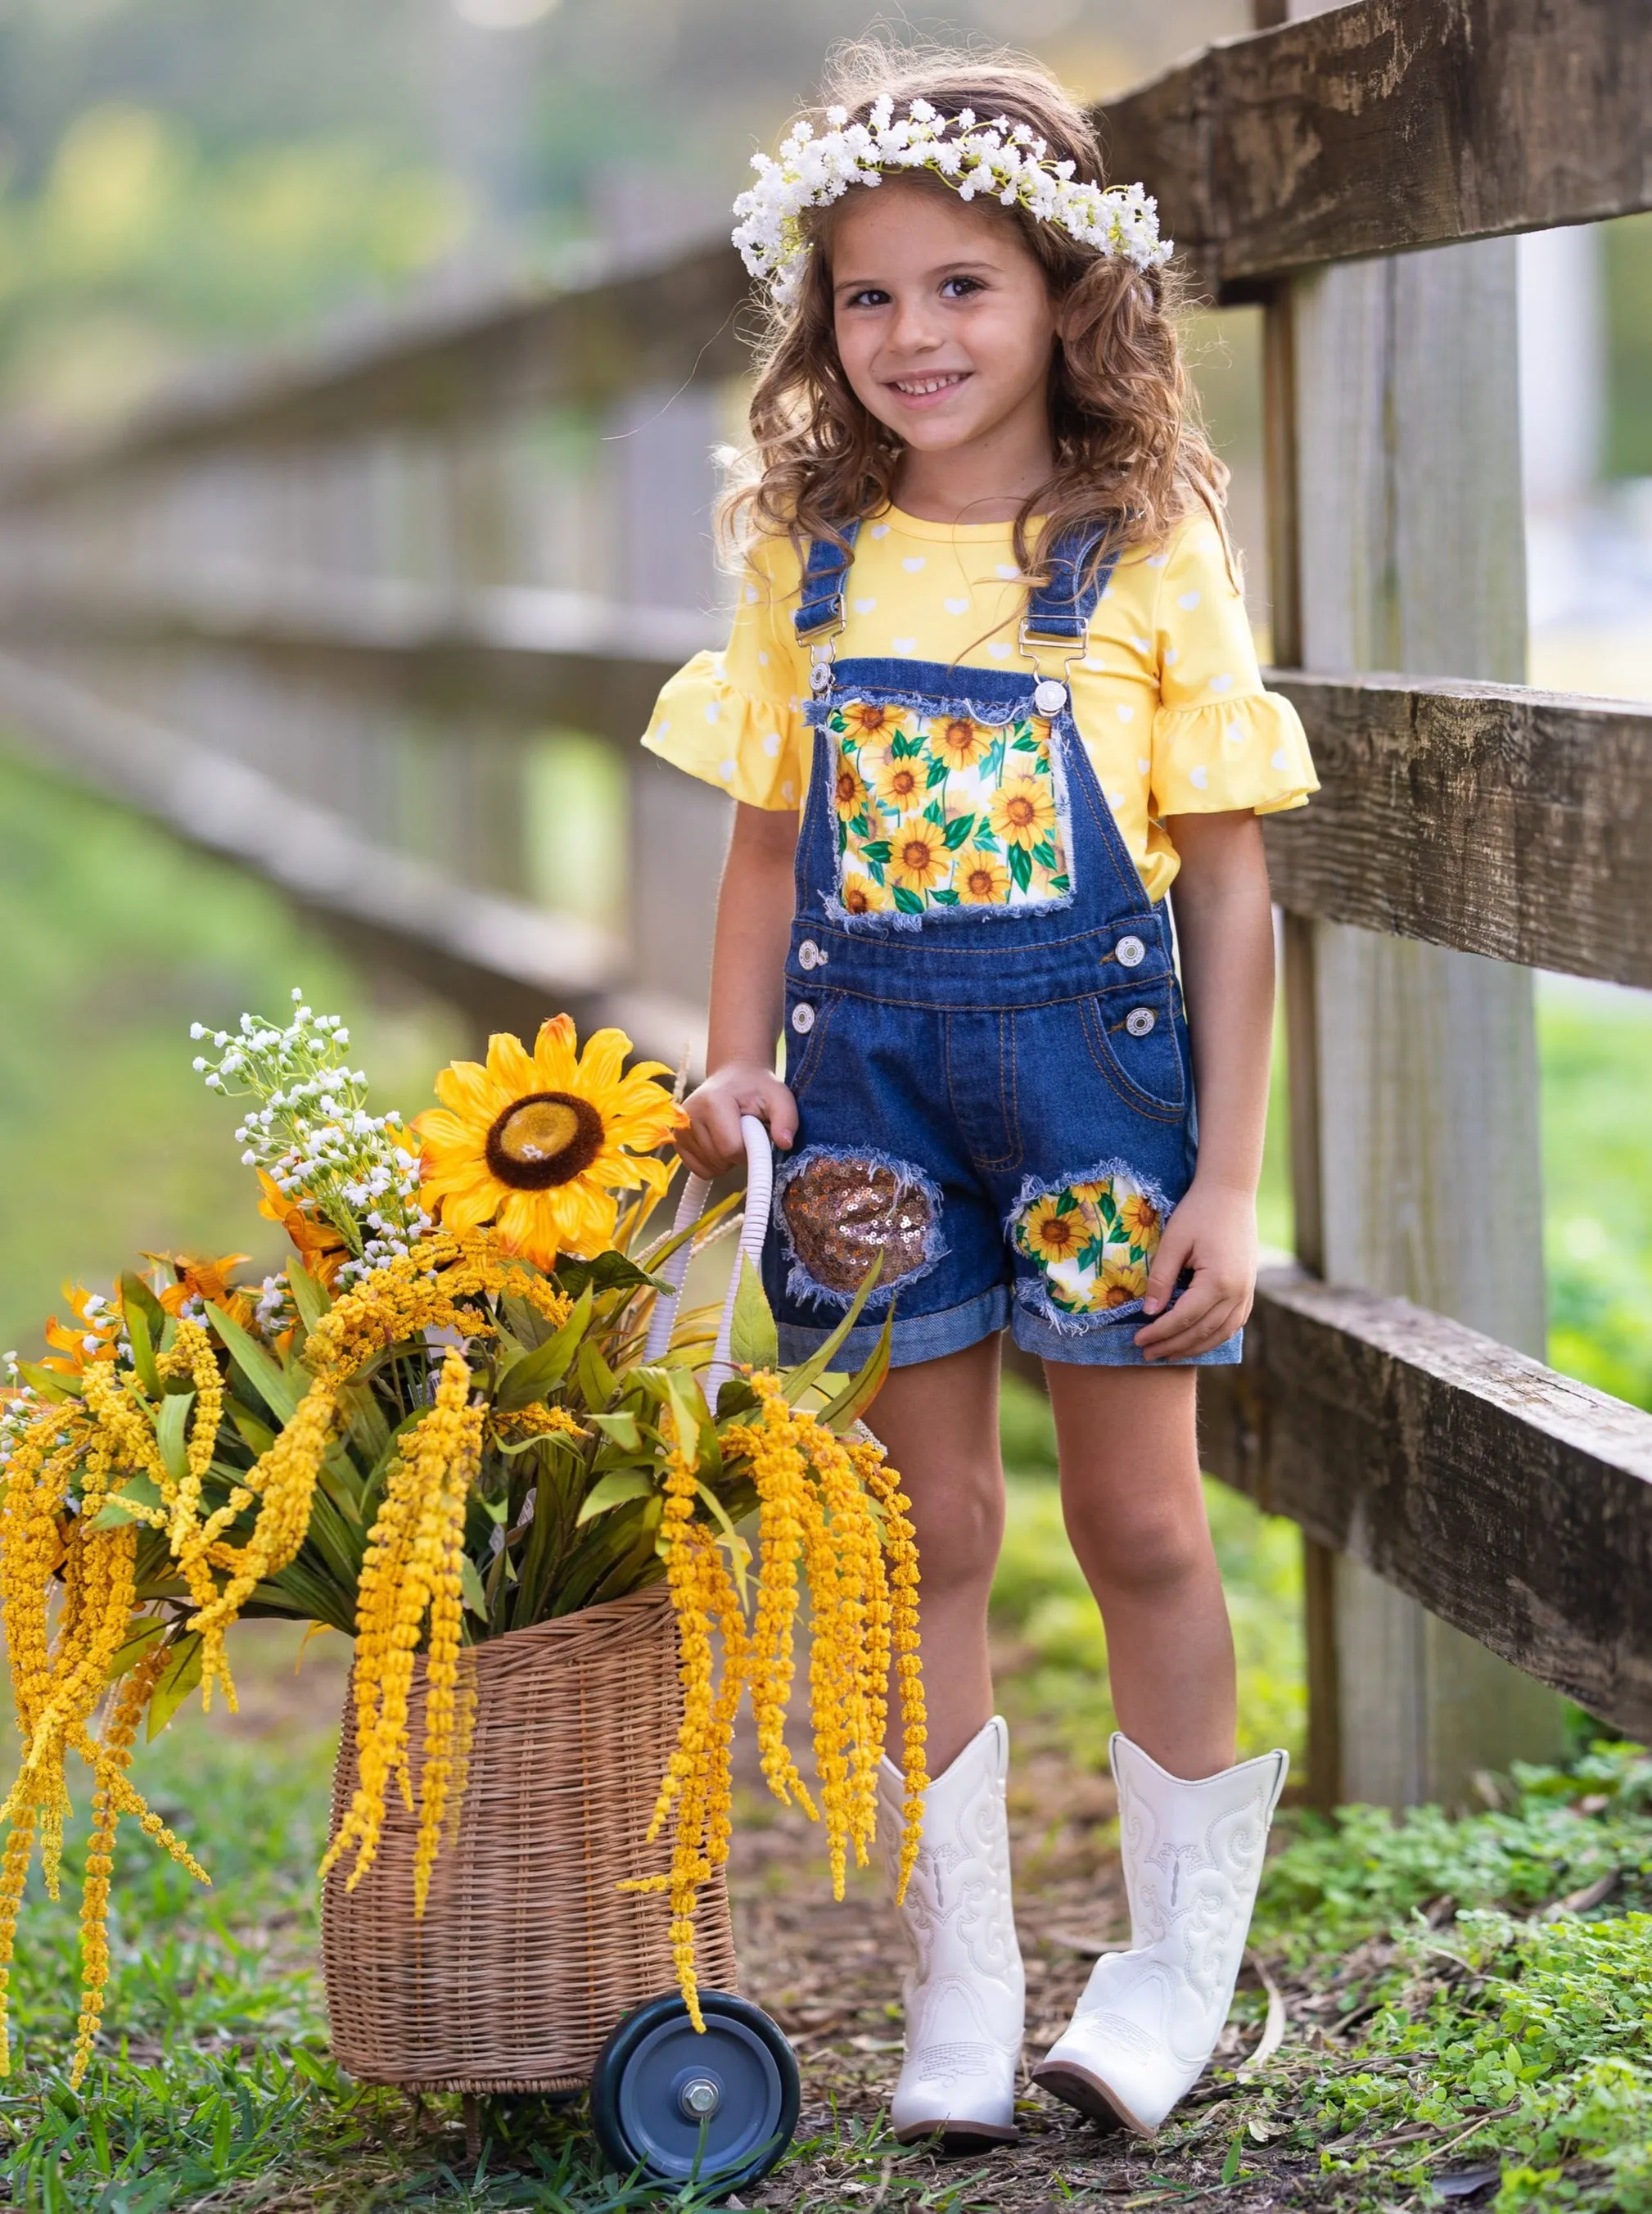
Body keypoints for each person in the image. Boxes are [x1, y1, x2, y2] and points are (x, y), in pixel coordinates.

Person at [643, 43, 1317, 2148]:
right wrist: (739, 1051)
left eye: (961, 288)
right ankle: (965, 1975)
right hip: (866, 1100)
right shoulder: (808, 558)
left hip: (1104, 1099)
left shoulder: (1138, 553)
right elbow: (769, 844)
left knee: (1132, 1515)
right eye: (867, 297)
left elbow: (1229, 887)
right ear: (817, 323)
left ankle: (1174, 1967)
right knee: (919, 1522)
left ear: (1060, 297)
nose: (912, 336)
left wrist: (1223, 1170)